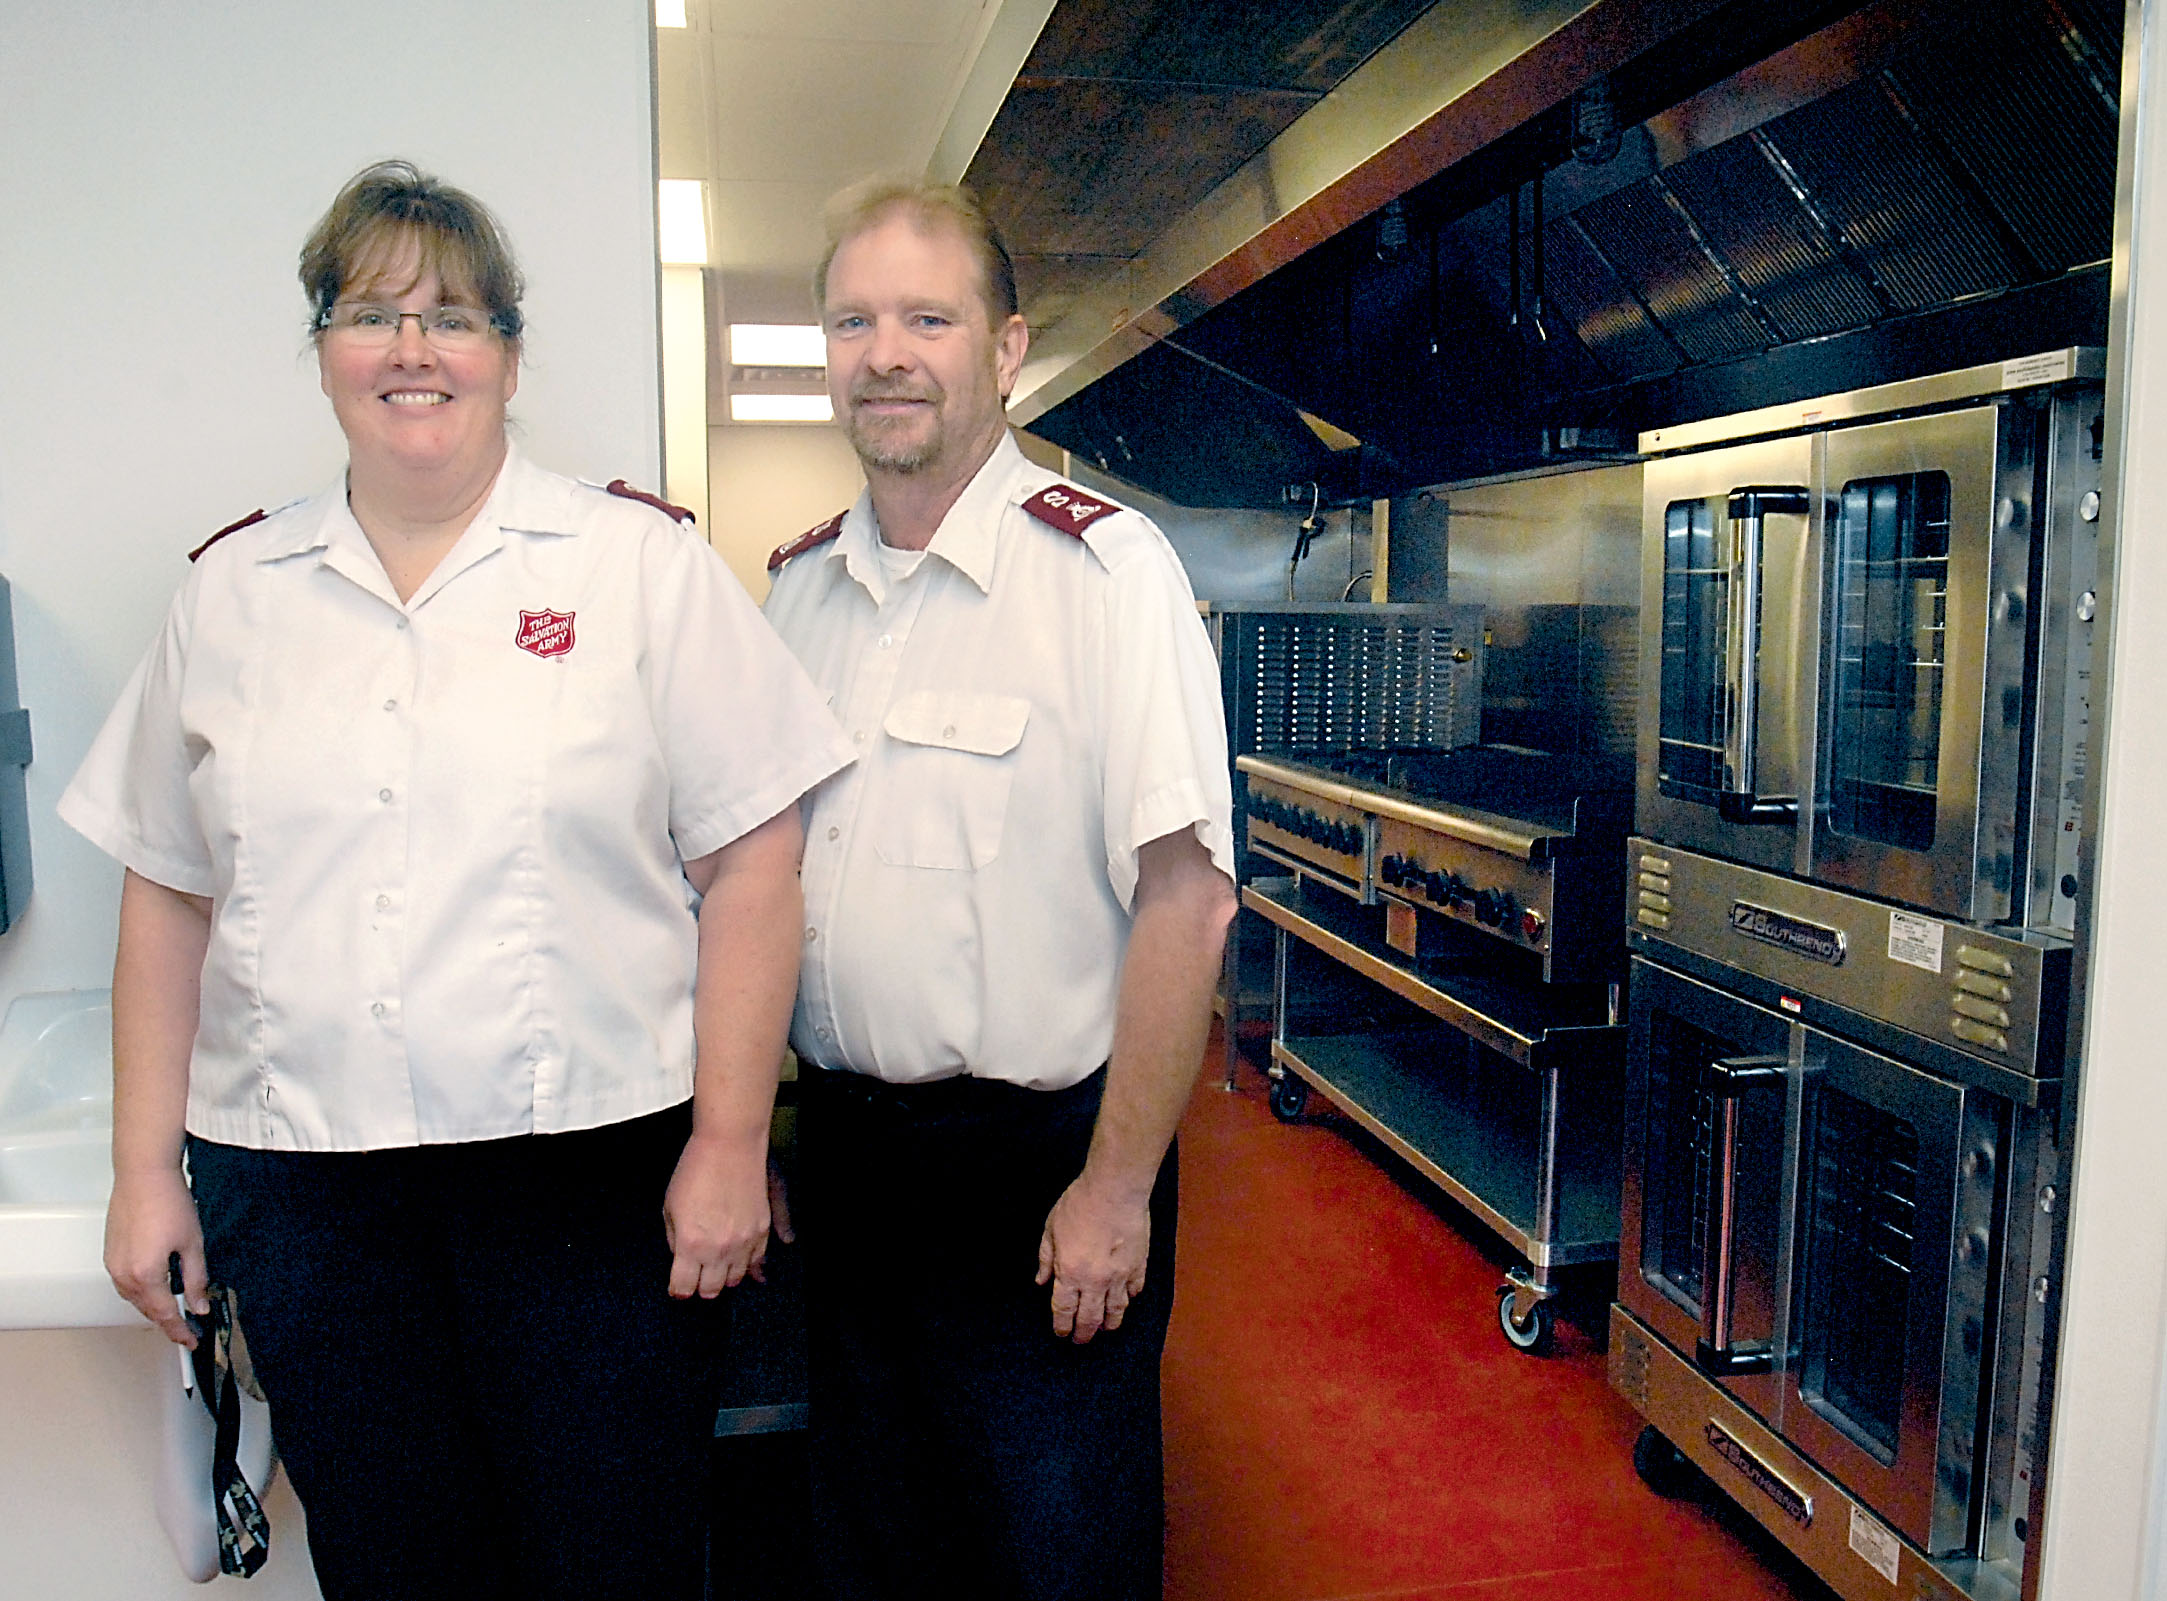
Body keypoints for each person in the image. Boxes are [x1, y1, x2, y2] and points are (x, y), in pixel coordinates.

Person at [59, 160, 853, 1600]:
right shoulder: (232, 594)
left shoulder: (636, 567)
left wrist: (732, 1141)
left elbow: (755, 858)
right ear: (322, 349)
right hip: (309, 1200)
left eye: (454, 317)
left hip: (588, 1193)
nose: (412, 349)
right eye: (371, 314)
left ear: (511, 352)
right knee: (390, 1565)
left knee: (614, 1561)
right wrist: (141, 1173)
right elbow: (166, 892)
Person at [761, 177, 1239, 1601]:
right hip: (849, 1168)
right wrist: (757, 1133)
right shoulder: (797, 594)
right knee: (872, 1550)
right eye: (854, 321)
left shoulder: (1105, 575)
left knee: (1053, 1556)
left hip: (1039, 1178)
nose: (885, 355)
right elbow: (760, 886)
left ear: (1008, 348)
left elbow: (1188, 901)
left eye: (928, 318)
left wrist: (1118, 1187)